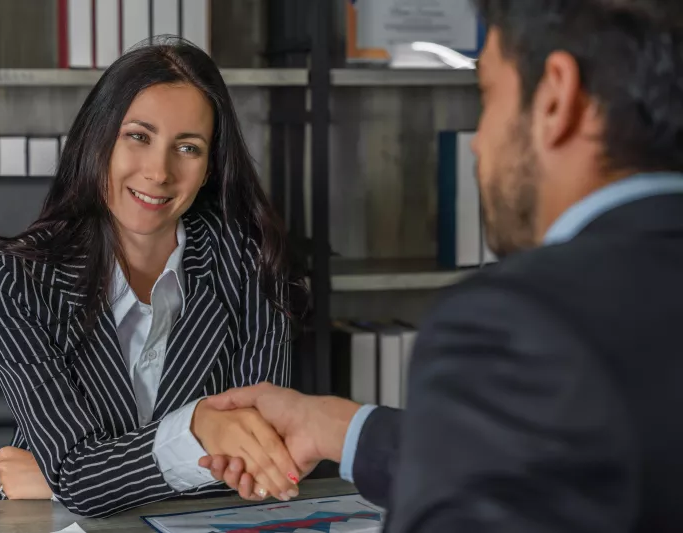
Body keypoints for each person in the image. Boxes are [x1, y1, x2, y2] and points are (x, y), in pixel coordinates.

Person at [200, 1, 683, 531]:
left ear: (556, 97)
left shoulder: (519, 318)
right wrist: (343, 428)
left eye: (487, 95)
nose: (477, 142)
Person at [0, 38, 302, 518]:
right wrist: (197, 435)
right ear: (100, 138)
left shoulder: (251, 264)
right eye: (139, 136)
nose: (158, 171)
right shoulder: (16, 281)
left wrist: (64, 480)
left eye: (187, 148)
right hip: (49, 522)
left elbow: (266, 464)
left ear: (209, 167)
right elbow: (77, 476)